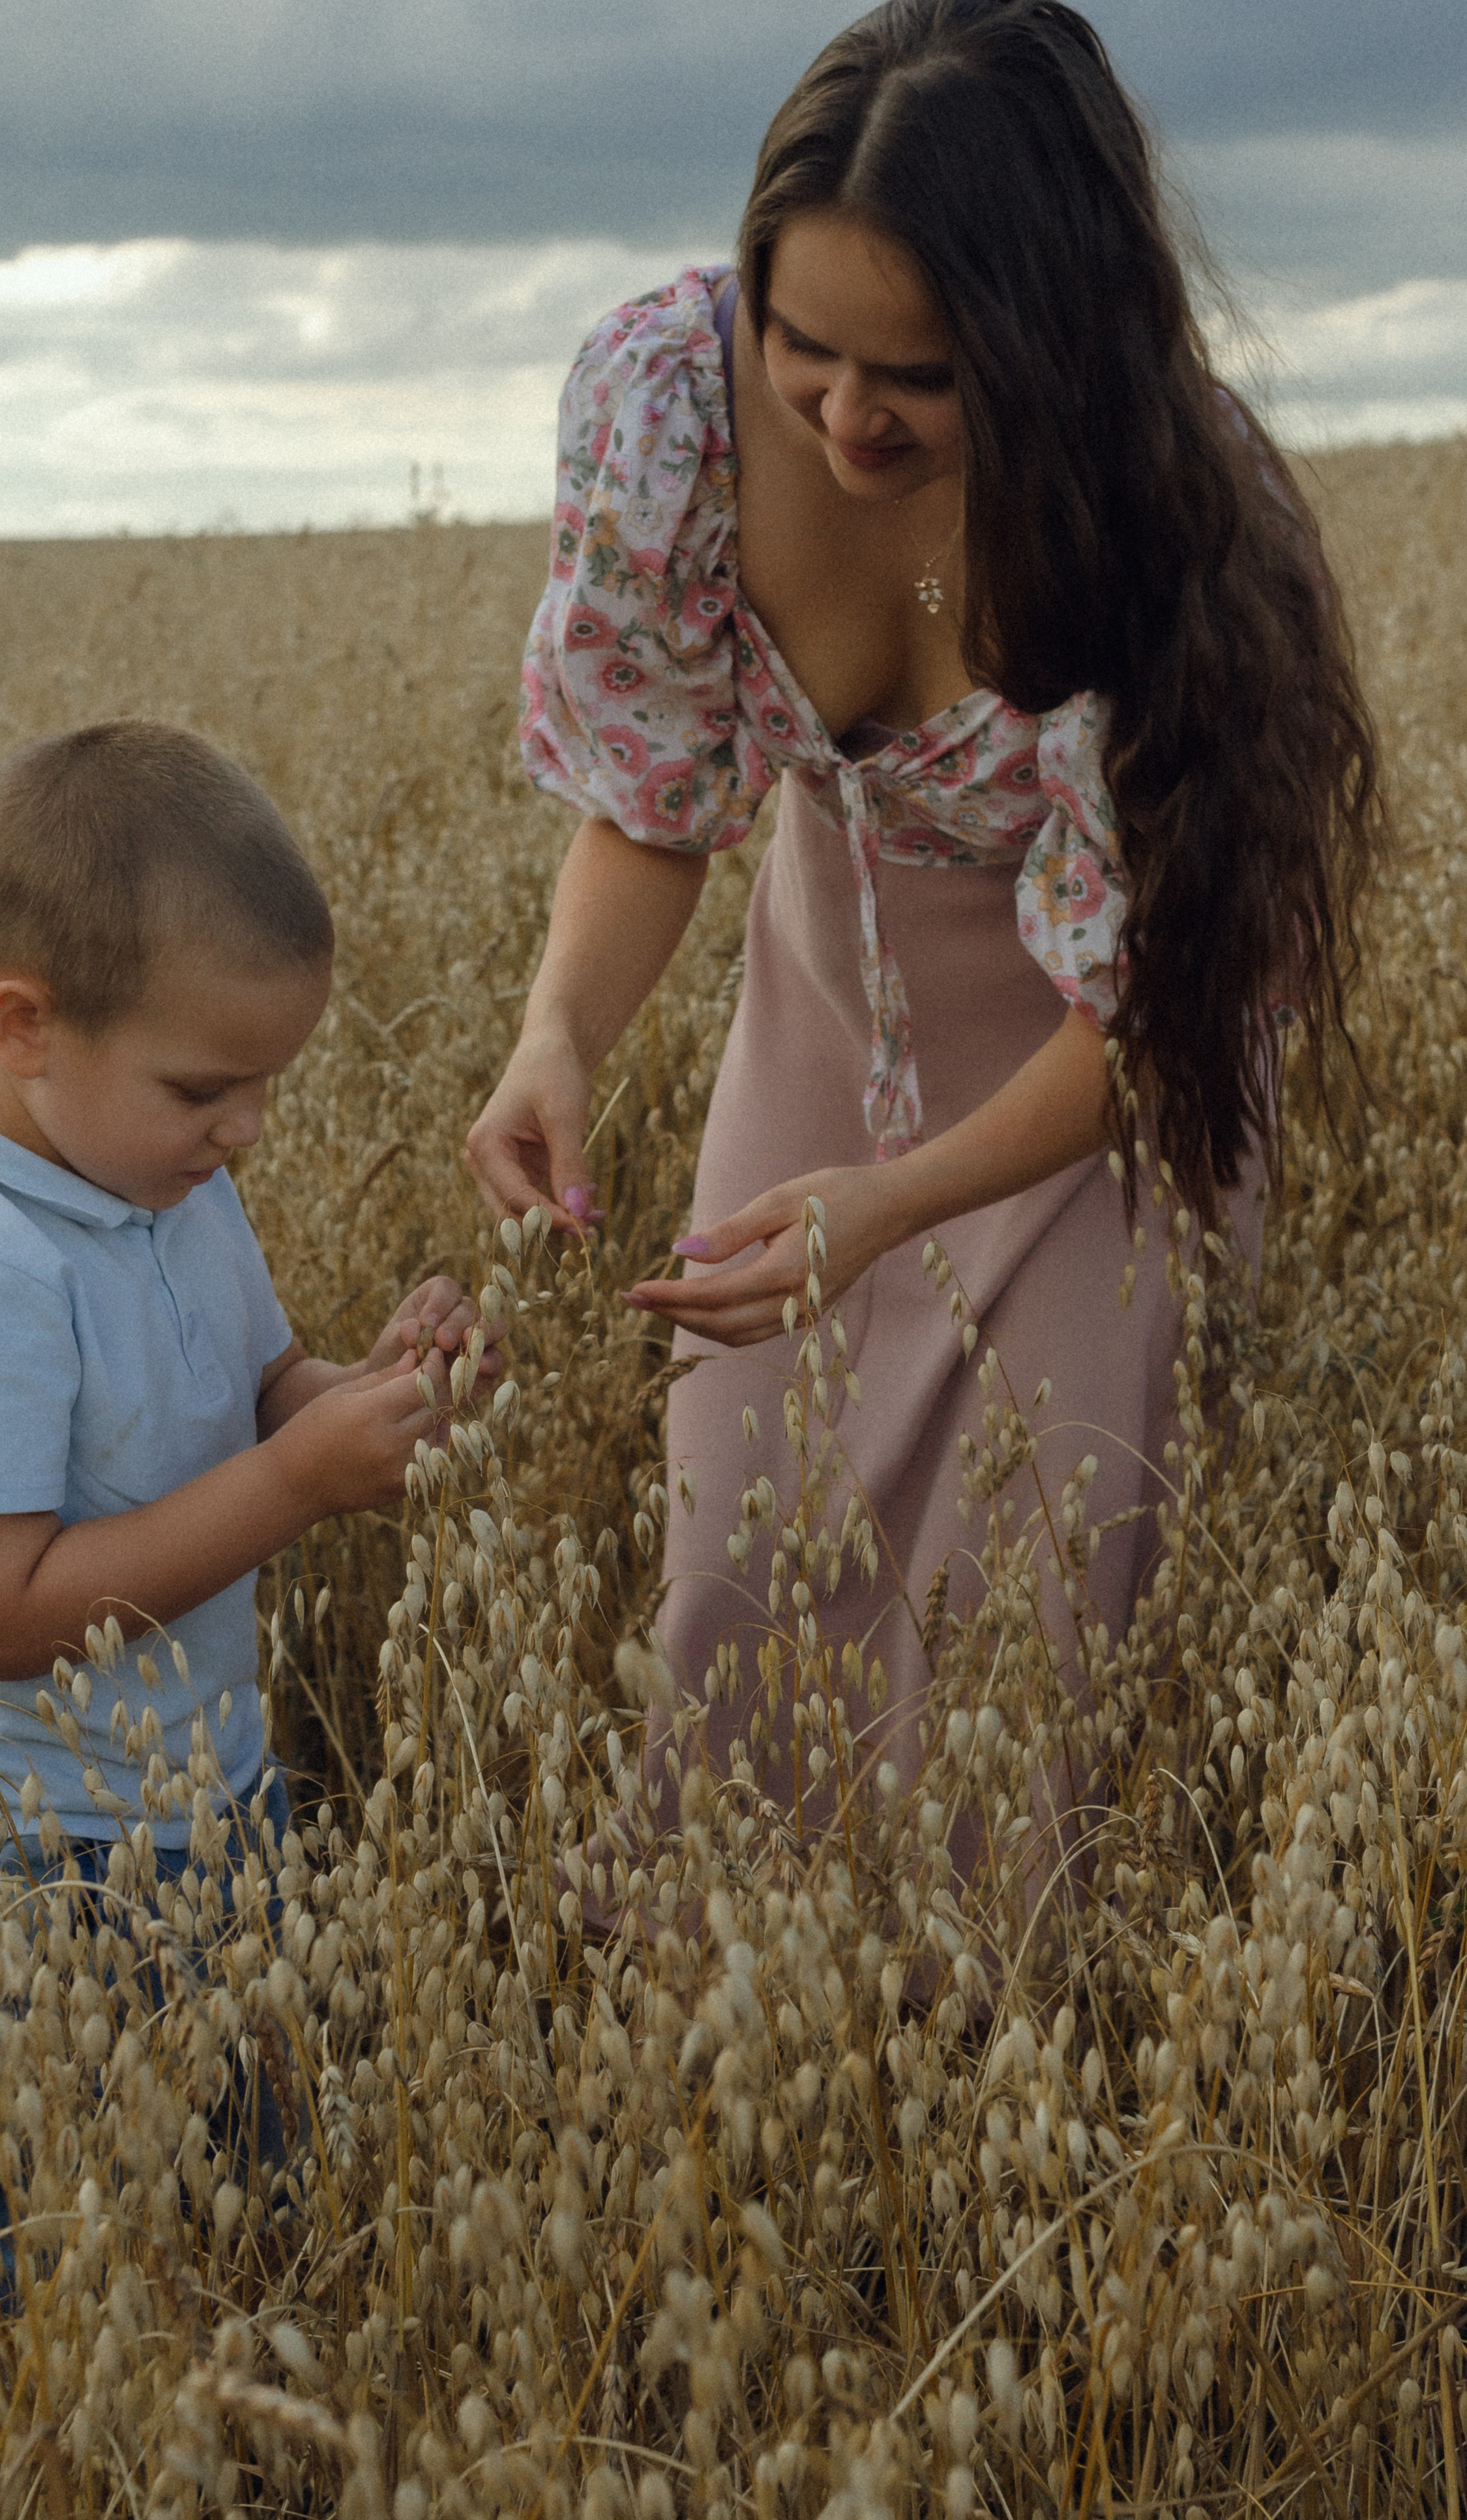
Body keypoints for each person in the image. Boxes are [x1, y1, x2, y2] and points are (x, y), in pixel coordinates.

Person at [466, 0, 1382, 1825]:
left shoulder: (1159, 525)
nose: (845, 413)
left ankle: (975, 2072)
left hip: (1097, 1088)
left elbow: (1158, 1020)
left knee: (1021, 1611)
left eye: (923, 375)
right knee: (738, 1555)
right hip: (815, 1020)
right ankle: (727, 2050)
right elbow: (653, 802)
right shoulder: (669, 409)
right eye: (803, 343)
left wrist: (891, 1206)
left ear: (1050, 347)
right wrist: (557, 1030)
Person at [0, 719, 484, 1894]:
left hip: (215, 1788)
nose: (248, 1129)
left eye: (267, 1084)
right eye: (204, 1088)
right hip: (19, 1849)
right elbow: (2, 1618)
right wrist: (300, 1482)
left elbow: (266, 1391)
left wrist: (375, 1389)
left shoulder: (169, 1174)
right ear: (24, 1025)